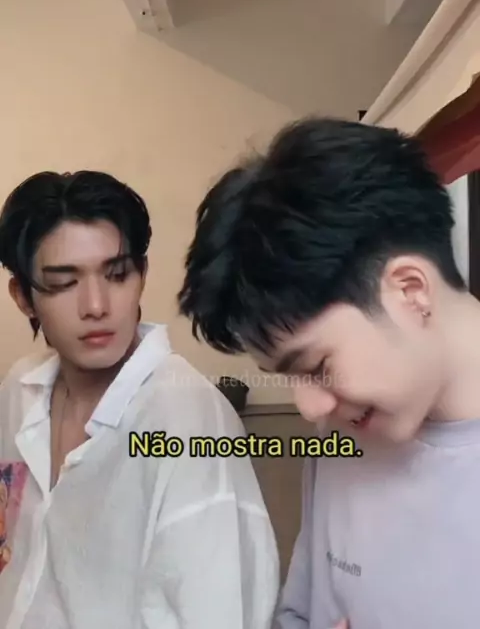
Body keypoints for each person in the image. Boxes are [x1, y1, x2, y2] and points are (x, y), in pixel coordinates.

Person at [177, 116, 480, 629]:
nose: (309, 407)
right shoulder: (343, 435)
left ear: (410, 291)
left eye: (317, 366)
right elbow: (302, 610)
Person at [0, 170, 279, 628]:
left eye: (117, 274)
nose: (96, 305)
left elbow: (219, 612)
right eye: (64, 282)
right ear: (23, 297)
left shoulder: (186, 417)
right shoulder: (20, 390)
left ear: (142, 276)